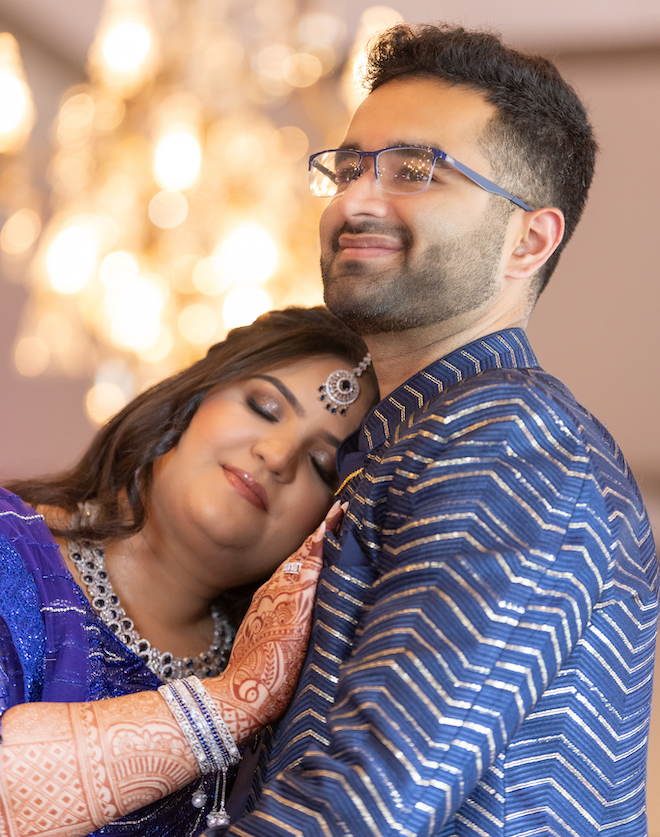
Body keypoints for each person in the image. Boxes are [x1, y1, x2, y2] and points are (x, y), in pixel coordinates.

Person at [215, 23, 659, 837]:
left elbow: (359, 810)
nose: (356, 200)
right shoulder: (404, 441)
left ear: (529, 238)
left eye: (418, 171)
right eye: (348, 167)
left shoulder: (514, 441)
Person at [0, 305, 376, 837]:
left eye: (320, 465)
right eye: (265, 407)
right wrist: (228, 702)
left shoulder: (277, 714)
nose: (276, 455)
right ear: (191, 401)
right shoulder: (9, 544)